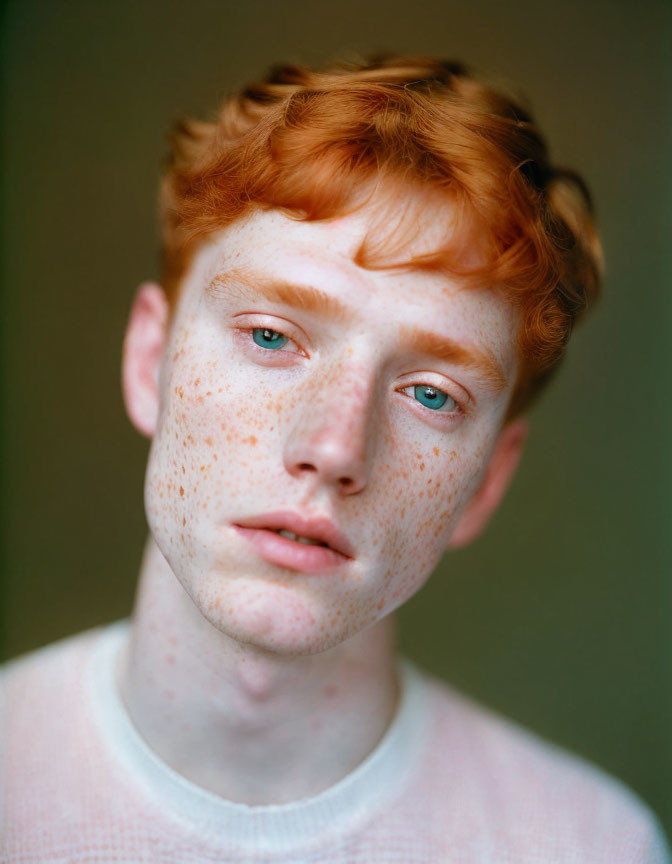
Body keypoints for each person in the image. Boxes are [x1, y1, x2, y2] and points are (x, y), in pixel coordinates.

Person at [2, 55, 669, 863]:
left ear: (489, 479)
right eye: (271, 337)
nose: (333, 448)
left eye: (430, 394)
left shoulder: (593, 848)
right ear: (151, 360)